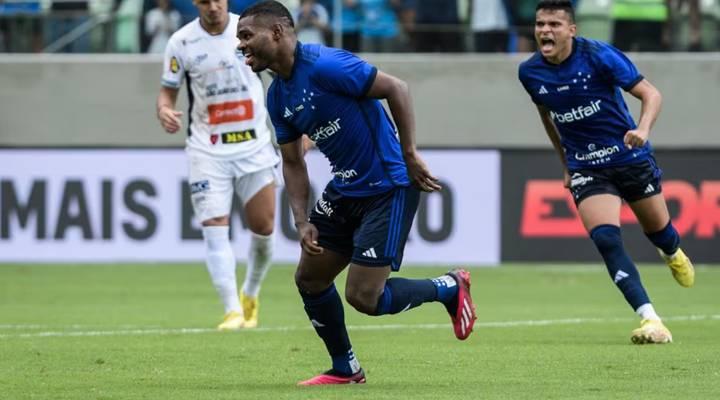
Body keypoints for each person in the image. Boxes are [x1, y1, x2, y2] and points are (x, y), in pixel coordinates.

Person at [236, 0, 477, 385]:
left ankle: (449, 287)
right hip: (345, 188)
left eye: (247, 36)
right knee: (310, 278)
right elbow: (294, 161)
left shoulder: (327, 65)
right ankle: (345, 368)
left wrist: (410, 154)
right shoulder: (277, 97)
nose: (241, 45)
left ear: (278, 31)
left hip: (388, 186)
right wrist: (301, 220)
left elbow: (396, 88)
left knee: (365, 298)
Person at [518, 0, 695, 345]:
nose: (545, 31)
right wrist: (566, 164)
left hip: (629, 156)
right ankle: (651, 319)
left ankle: (672, 252)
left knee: (658, 232)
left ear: (572, 30)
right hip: (587, 166)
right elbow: (548, 117)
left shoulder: (599, 56)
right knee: (606, 239)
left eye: (554, 24)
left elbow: (651, 94)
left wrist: (643, 129)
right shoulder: (530, 72)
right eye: (540, 24)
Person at [156, 0, 279, 331]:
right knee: (214, 225)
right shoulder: (181, 42)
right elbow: (167, 94)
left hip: (253, 146)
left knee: (264, 228)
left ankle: (250, 292)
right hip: (207, 150)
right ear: (196, 4)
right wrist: (164, 110)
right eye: (206, 1)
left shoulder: (251, 30)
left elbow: (282, 71)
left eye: (219, 0)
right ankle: (231, 310)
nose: (214, 7)